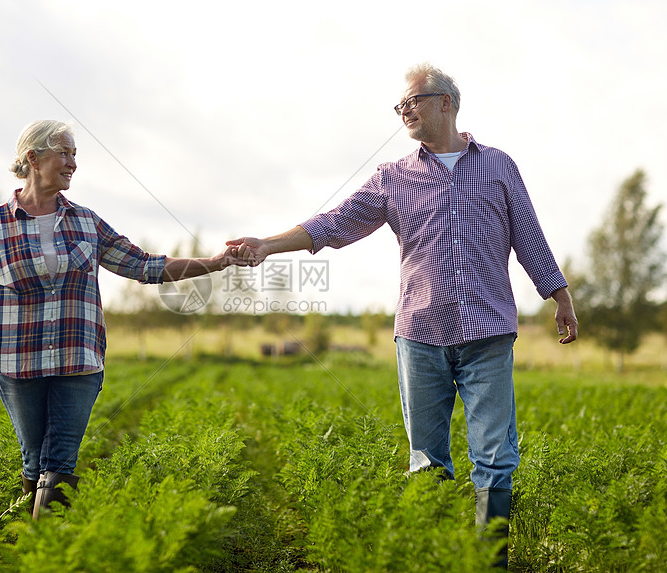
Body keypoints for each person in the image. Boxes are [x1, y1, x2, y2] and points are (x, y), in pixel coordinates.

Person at [229, 63, 578, 568]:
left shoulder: (499, 166)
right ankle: (434, 558)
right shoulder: (394, 177)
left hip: (488, 335)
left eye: (413, 101)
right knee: (426, 461)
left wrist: (559, 294)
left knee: (496, 458)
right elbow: (336, 222)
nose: (404, 111)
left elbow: (528, 232)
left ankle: (490, 564)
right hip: (421, 336)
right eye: (400, 106)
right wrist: (269, 245)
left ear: (446, 103)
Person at [0, 120, 246, 519]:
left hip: (78, 362)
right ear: (33, 158)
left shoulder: (86, 222)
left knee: (59, 461)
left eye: (75, 155)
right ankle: (27, 547)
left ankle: (49, 553)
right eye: (65, 153)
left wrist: (215, 263)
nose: (73, 163)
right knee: (33, 460)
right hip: (18, 364)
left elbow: (145, 266)